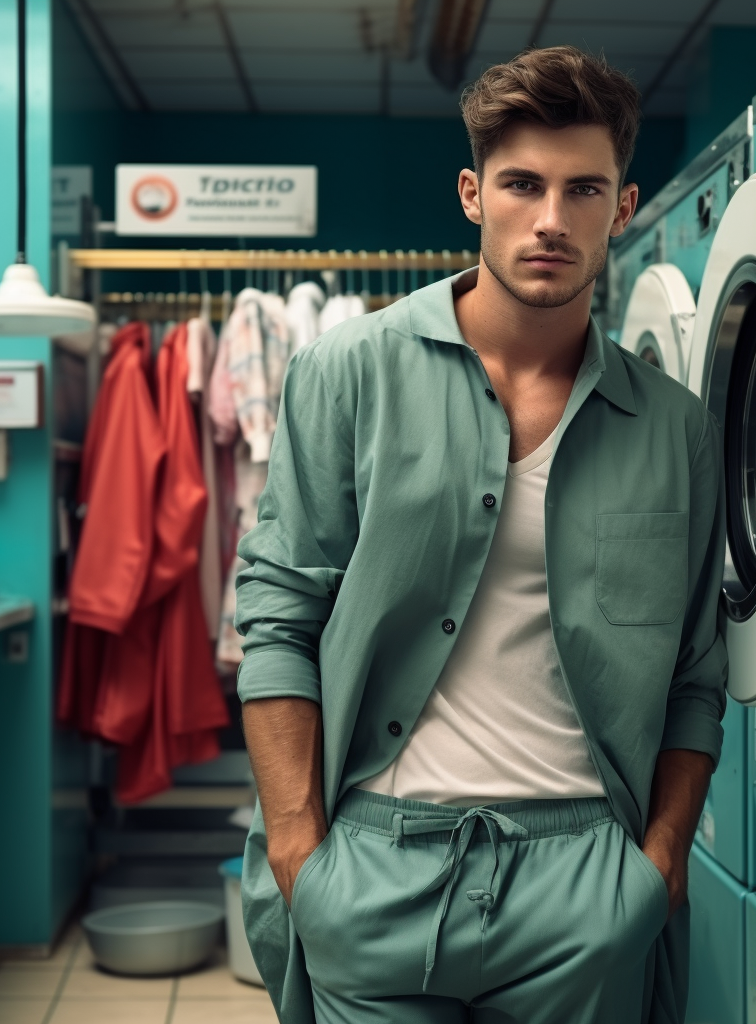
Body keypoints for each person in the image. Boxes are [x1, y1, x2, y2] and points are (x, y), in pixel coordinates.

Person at [236, 44, 727, 1024]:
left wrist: (658, 860)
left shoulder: (674, 426)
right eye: (521, 184)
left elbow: (695, 673)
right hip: (376, 863)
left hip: (584, 879)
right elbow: (279, 613)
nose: (551, 219)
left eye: (583, 188)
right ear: (472, 193)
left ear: (622, 208)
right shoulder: (346, 373)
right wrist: (300, 842)